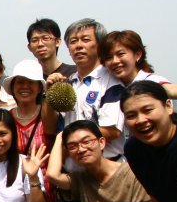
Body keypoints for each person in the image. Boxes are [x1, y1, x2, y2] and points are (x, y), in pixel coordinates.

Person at [41, 18, 124, 160]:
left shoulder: (111, 82)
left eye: (85, 40)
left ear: (100, 45)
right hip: (72, 171)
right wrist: (49, 94)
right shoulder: (67, 83)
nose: (78, 46)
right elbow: (49, 128)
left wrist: (67, 139)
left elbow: (112, 130)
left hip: (105, 168)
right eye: (73, 42)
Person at [2, 59, 50, 163]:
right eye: (20, 82)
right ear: (13, 87)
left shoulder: (47, 116)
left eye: (31, 82)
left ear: (39, 88)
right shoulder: (6, 119)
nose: (25, 86)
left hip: (42, 178)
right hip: (13, 177)